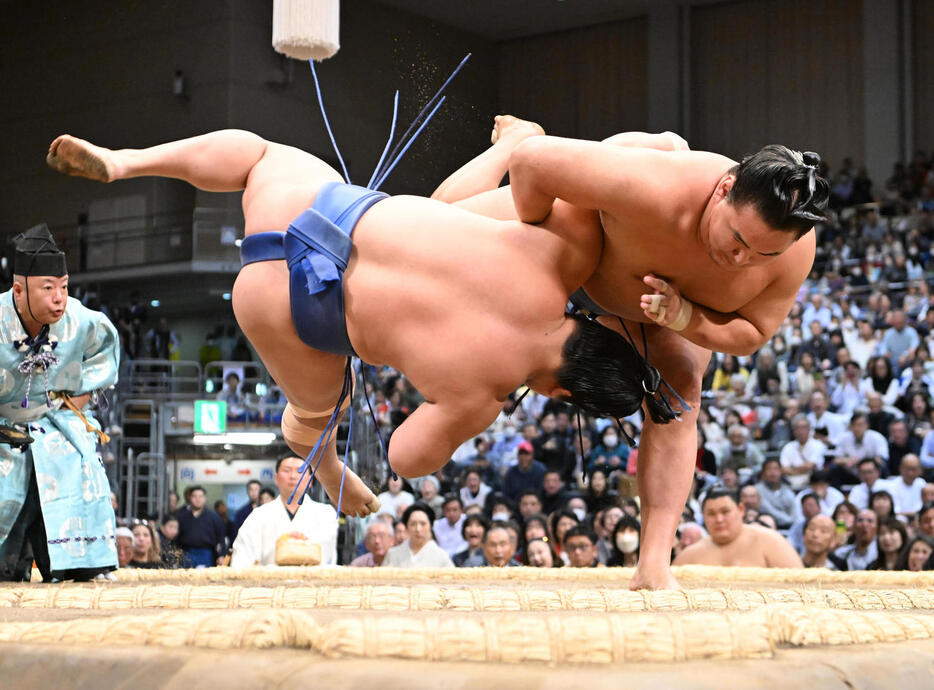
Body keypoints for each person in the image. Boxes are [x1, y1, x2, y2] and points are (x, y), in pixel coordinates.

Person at [47, 130, 678, 530]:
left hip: (316, 208)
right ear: (564, 393)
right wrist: (479, 411)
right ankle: (319, 459)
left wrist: (658, 147)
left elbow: (573, 166)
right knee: (324, 402)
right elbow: (405, 457)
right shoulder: (476, 398)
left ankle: (127, 160)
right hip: (280, 301)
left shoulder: (560, 258)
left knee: (262, 154)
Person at [0, 224, 120, 582]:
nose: (59, 298)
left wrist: (74, 402)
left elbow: (105, 351)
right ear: (19, 290)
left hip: (53, 423)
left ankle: (81, 565)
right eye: (48, 288)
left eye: (64, 287)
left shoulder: (80, 320)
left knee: (77, 454)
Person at [230, 455, 338, 567]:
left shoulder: (326, 514)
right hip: (268, 581)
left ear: (310, 481)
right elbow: (242, 557)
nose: (293, 476)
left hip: (312, 581)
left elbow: (327, 556)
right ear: (276, 479)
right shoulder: (258, 515)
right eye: (286, 471)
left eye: (300, 471)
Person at [673, 485, 803, 568]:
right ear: (703, 516)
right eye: (711, 514)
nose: (719, 519)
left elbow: (799, 586)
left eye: (725, 512)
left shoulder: (770, 541)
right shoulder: (689, 556)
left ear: (741, 510)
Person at [382, 503, 453, 568]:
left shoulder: (441, 556)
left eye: (423, 524)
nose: (418, 529)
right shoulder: (393, 554)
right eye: (413, 524)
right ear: (406, 527)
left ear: (430, 526)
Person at [175, 486, 228, 567]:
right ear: (190, 498)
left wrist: (221, 555)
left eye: (200, 496)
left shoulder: (214, 517)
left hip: (206, 554)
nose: (197, 499)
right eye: (194, 496)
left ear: (205, 498)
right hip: (186, 553)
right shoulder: (181, 516)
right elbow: (175, 538)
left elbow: (221, 538)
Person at [779, 414, 827, 491]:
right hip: (790, 482)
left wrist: (792, 468)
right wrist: (801, 470)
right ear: (794, 431)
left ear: (809, 429)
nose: (800, 431)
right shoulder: (788, 447)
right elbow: (784, 469)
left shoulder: (818, 445)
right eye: (797, 428)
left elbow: (810, 466)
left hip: (812, 482)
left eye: (803, 428)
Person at [754, 458, 797, 529]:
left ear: (781, 471)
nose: (772, 473)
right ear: (763, 473)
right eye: (769, 469)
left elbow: (795, 512)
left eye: (776, 469)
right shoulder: (757, 490)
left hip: (789, 528)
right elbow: (770, 511)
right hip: (765, 528)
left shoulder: (787, 489)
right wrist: (791, 520)